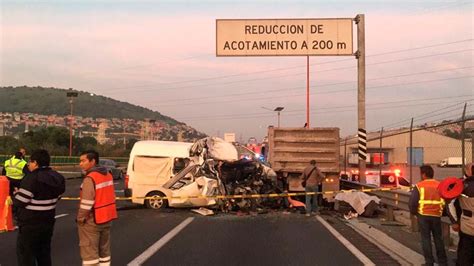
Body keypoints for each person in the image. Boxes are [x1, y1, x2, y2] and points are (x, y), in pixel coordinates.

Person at [13, 149, 65, 266]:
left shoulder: (31, 178)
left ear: (35, 163)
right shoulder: (58, 177)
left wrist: (16, 193)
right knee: (44, 255)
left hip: (30, 224)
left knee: (26, 256)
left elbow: (21, 201)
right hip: (48, 222)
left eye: (30, 162)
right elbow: (58, 196)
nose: (28, 165)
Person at [77, 150, 117, 266]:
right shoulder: (108, 175)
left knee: (89, 253)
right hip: (107, 218)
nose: (80, 164)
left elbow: (86, 203)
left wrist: (80, 218)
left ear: (93, 161)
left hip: (92, 220)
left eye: (83, 161)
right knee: (104, 251)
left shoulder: (90, 178)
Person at [409, 165, 447, 266]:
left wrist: (414, 213)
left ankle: (429, 262)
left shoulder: (419, 186)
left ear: (424, 174)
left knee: (426, 239)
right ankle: (443, 262)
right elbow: (444, 201)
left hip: (423, 215)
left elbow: (413, 202)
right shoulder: (439, 185)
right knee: (438, 239)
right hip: (436, 215)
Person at [451, 163, 474, 265]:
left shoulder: (461, 185)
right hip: (464, 222)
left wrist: (454, 220)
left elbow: (449, 202)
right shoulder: (460, 183)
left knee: (466, 251)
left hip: (466, 222)